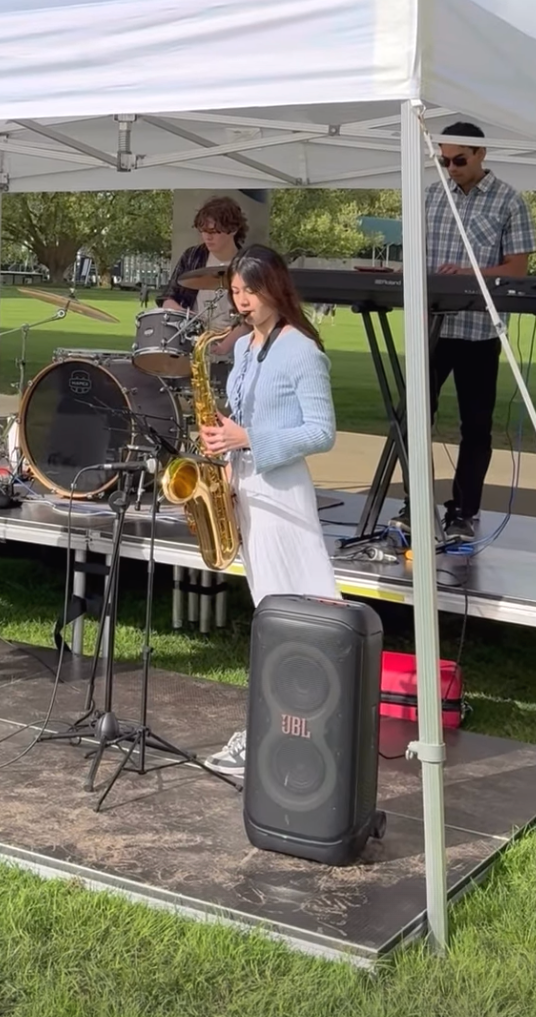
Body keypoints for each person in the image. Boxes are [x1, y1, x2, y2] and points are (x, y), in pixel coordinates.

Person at [198, 244, 339, 779]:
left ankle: (289, 726)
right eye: (235, 292)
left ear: (275, 288)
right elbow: (243, 416)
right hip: (248, 487)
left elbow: (321, 432)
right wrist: (226, 447)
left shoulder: (301, 350)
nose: (241, 302)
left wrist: (248, 437)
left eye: (250, 292)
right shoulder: (244, 349)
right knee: (269, 611)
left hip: (282, 496)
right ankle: (279, 726)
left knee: (294, 614)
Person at [393, 122, 535, 543]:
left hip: (478, 332)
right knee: (413, 419)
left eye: (458, 159)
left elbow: (516, 269)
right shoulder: (431, 196)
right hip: (430, 328)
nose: (450, 168)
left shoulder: (509, 201)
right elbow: (414, 258)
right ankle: (415, 503)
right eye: (443, 160)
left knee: (475, 426)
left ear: (481, 154)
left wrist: (471, 275)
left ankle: (464, 511)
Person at [159, 196, 250, 396]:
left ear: (233, 229)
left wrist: (227, 344)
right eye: (203, 231)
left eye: (213, 232)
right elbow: (168, 297)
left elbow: (254, 316)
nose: (207, 237)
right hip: (193, 342)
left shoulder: (247, 265)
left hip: (233, 346)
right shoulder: (193, 256)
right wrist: (181, 313)